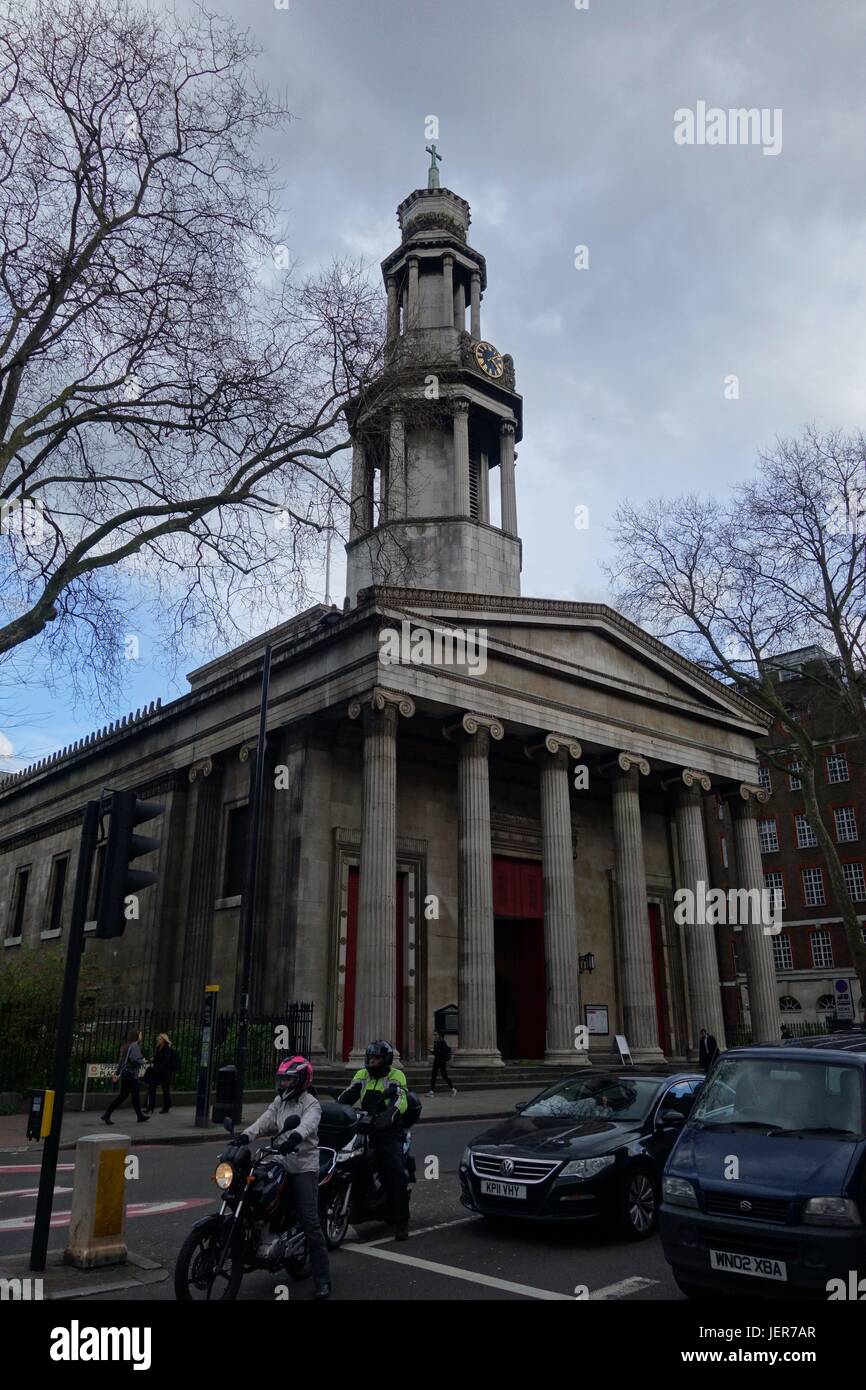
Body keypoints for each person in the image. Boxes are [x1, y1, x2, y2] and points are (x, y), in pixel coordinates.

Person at [234, 1056, 331, 1300]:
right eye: (282, 1079)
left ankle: (322, 1279)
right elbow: (265, 1120)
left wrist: (294, 1138)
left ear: (301, 1080)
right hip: (278, 1159)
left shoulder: (312, 1104)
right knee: (254, 1194)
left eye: (288, 1079)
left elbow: (306, 1126)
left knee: (310, 1221)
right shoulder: (280, 1101)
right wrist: (245, 1136)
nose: (284, 1083)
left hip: (302, 1166)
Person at [338, 1039, 410, 1240]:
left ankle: (402, 1220)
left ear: (385, 1059)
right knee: (349, 1160)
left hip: (387, 1130)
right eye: (370, 1058)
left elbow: (400, 1099)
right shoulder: (362, 1074)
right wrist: (338, 1109)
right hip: (364, 1127)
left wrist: (390, 1114)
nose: (372, 1062)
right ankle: (364, 1198)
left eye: (377, 1058)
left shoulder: (396, 1076)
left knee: (395, 1171)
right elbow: (348, 1095)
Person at [101, 1030, 149, 1124]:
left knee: (125, 1095)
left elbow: (122, 1062)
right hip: (131, 1074)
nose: (141, 1036)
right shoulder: (134, 1045)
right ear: (137, 1036)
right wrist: (143, 1062)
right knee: (132, 1095)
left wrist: (117, 1073)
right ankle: (107, 1114)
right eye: (140, 1034)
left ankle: (108, 1114)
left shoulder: (127, 1045)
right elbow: (135, 1059)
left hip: (126, 1074)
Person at [146, 1033, 177, 1114]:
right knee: (151, 1088)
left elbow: (165, 1061)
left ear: (164, 1040)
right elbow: (157, 1058)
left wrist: (158, 1068)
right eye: (158, 1039)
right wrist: (152, 1059)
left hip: (165, 1073)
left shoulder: (167, 1049)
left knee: (165, 1090)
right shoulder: (158, 1048)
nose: (158, 1040)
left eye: (160, 1039)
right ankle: (150, 1107)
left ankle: (166, 1107)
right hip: (157, 1072)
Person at [426, 1031, 457, 1097]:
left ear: (439, 1035)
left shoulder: (442, 1042)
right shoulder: (436, 1042)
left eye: (435, 1034)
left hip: (441, 1062)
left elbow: (441, 1052)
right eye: (434, 1034)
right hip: (437, 1061)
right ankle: (431, 1091)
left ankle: (453, 1089)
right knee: (434, 1076)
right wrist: (432, 1051)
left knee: (444, 1076)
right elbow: (436, 1053)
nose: (434, 1036)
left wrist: (434, 1051)